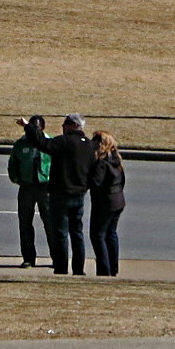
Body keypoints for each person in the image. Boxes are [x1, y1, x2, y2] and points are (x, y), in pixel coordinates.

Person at [44, 114, 97, 274]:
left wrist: (29, 127)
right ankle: (78, 269)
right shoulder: (88, 145)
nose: (63, 127)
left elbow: (43, 144)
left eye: (65, 124)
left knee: (61, 233)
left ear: (73, 125)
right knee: (77, 233)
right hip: (79, 195)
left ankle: (61, 267)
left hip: (60, 194)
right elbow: (92, 171)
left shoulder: (64, 142)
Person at [6, 115, 53, 268]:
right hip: (26, 187)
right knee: (25, 223)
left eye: (36, 128)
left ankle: (57, 256)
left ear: (42, 129)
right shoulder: (21, 144)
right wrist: (17, 179)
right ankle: (28, 258)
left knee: (50, 223)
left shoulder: (50, 143)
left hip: (45, 188)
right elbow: (13, 164)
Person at [87, 130, 127, 276]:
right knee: (111, 233)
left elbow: (95, 182)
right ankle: (113, 268)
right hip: (118, 200)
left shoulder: (102, 163)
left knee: (97, 235)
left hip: (104, 203)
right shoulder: (116, 159)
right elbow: (122, 181)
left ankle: (104, 269)